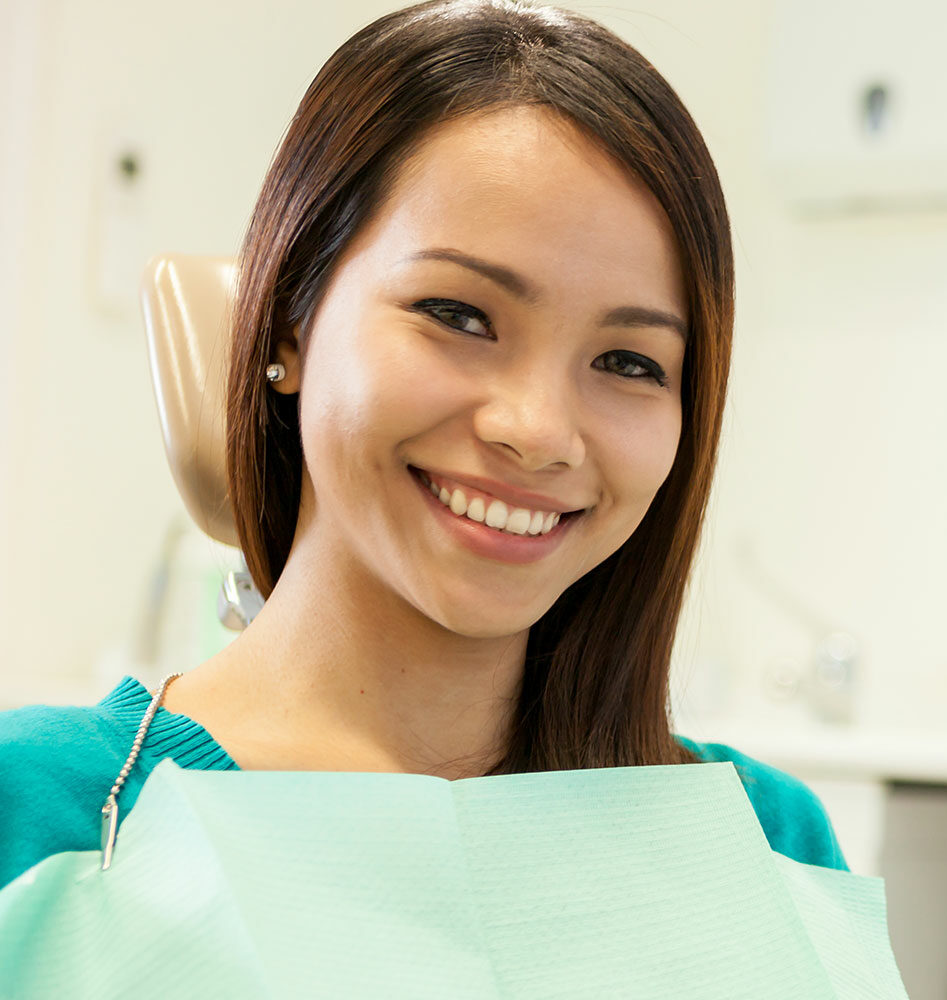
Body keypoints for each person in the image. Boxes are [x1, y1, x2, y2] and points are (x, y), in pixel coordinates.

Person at [0, 0, 847, 892]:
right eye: (458, 314)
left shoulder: (761, 842)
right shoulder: (47, 813)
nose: (538, 430)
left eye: (629, 361)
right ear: (291, 323)